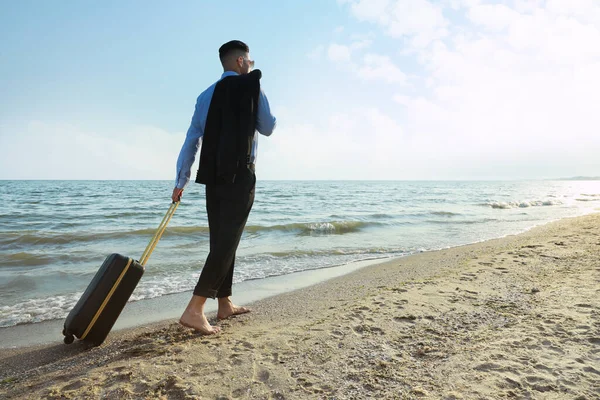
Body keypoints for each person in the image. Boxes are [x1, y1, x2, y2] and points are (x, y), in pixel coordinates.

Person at [172, 40, 276, 335]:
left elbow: (192, 140)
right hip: (241, 176)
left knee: (221, 240)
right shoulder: (253, 87)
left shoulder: (205, 96)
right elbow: (267, 127)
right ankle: (194, 309)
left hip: (212, 178)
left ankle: (225, 303)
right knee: (228, 242)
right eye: (250, 61)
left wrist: (181, 181)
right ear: (242, 61)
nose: (252, 66)